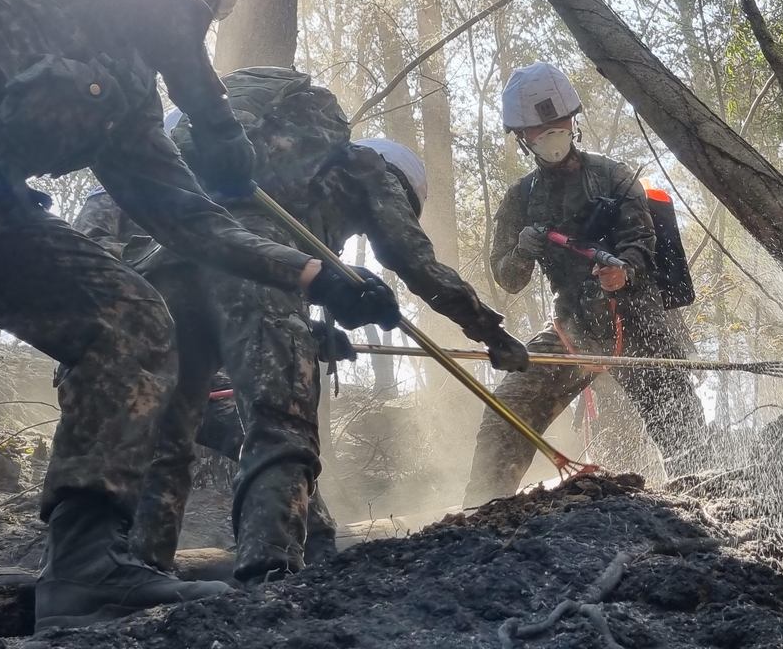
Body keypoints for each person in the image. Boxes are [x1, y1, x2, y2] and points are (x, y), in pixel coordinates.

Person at [0, 0, 399, 631]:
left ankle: (84, 571)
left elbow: (192, 222)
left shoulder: (131, 92)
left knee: (128, 318)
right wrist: (214, 121)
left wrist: (318, 276)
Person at [74, 66, 528, 584]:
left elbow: (234, 317)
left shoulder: (296, 179)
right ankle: (271, 576)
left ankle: (139, 574)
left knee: (172, 430)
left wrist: (310, 332)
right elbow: (418, 264)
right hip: (257, 264)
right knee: (279, 422)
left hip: (179, 252)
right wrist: (489, 332)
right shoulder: (369, 169)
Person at [463, 62, 706, 507]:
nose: (550, 134)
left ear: (573, 121)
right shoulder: (519, 199)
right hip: (572, 328)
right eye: (538, 129)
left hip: (641, 322)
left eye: (556, 124)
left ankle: (709, 500)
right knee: (509, 408)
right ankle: (478, 513)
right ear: (522, 137)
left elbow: (642, 242)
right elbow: (508, 278)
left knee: (679, 419)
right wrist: (523, 249)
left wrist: (623, 270)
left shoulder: (615, 176)